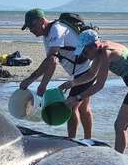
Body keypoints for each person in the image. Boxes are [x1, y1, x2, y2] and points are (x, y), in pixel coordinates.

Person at [60, 31, 128, 163]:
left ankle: (117, 163)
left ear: (93, 46)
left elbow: (99, 85)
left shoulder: (106, 53)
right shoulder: (100, 50)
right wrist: (73, 82)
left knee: (120, 126)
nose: (84, 56)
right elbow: (91, 74)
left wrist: (77, 97)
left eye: (85, 52)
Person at [18, 8, 95, 140]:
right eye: (28, 28)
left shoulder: (56, 30)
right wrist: (42, 85)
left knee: (71, 106)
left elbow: (51, 59)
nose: (31, 30)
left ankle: (72, 141)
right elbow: (51, 63)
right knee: (83, 108)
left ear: (42, 21)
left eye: (32, 26)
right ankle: (88, 141)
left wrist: (33, 81)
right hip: (80, 71)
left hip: (86, 70)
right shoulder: (47, 35)